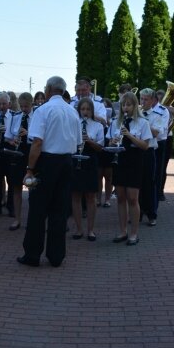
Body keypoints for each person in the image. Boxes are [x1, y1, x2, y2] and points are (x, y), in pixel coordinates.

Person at [18, 76, 80, 268]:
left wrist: (29, 169)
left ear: (49, 89)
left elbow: (37, 142)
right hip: (66, 162)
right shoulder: (72, 111)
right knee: (60, 209)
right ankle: (56, 255)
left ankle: (33, 254)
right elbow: (77, 143)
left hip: (46, 162)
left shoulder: (43, 110)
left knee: (38, 208)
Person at [109, 92, 152, 245]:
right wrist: (113, 142)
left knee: (132, 198)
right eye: (123, 104)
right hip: (120, 160)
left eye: (129, 104)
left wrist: (129, 135)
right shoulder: (116, 122)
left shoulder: (142, 122)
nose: (125, 107)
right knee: (120, 197)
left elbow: (145, 145)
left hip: (135, 160)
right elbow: (110, 143)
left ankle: (134, 233)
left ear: (135, 105)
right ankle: (122, 231)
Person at [70, 98, 104, 241]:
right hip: (76, 159)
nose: (85, 112)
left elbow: (100, 147)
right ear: (79, 110)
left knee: (91, 197)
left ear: (92, 111)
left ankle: (91, 230)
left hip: (90, 160)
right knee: (76, 196)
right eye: (83, 109)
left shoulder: (98, 126)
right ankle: (78, 229)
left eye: (88, 109)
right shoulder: (73, 124)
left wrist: (89, 140)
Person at [138, 88, 168, 226]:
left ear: (152, 100)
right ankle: (137, 212)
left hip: (150, 150)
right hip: (136, 150)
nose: (142, 102)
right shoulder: (135, 112)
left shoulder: (158, 114)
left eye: (146, 99)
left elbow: (156, 133)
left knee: (150, 183)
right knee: (136, 183)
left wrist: (143, 122)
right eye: (141, 99)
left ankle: (151, 213)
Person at [4, 92, 32, 231]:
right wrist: (12, 140)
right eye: (21, 106)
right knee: (16, 187)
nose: (24, 109)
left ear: (31, 104)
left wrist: (28, 134)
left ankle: (32, 219)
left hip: (32, 154)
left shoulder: (37, 117)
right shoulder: (15, 117)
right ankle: (17, 219)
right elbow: (7, 137)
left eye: (26, 106)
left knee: (33, 188)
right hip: (17, 154)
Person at [155, 88, 174, 201]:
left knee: (163, 166)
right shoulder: (153, 108)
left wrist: (162, 106)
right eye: (158, 99)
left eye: (162, 98)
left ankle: (160, 191)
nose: (160, 101)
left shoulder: (168, 109)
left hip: (167, 138)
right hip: (156, 138)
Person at [97, 98, 114, 208]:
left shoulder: (114, 121)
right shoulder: (96, 122)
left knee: (109, 176)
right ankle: (98, 199)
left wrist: (107, 122)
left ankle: (107, 199)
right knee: (98, 175)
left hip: (109, 149)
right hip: (99, 149)